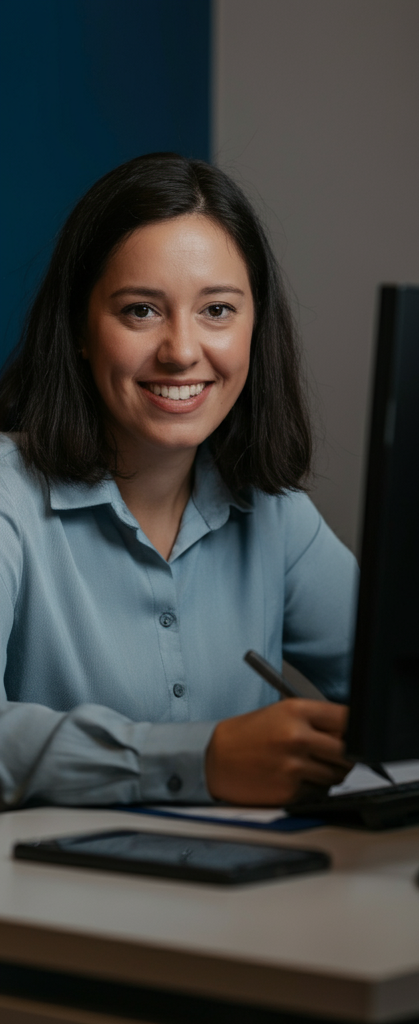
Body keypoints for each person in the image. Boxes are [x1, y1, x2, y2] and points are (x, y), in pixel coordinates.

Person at [0, 152, 358, 808]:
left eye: (217, 311)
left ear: (255, 327)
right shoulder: (7, 497)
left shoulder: (277, 514)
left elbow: (406, 688)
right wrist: (203, 759)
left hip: (248, 893)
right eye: (140, 311)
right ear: (81, 327)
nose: (182, 350)